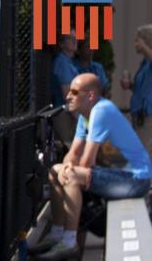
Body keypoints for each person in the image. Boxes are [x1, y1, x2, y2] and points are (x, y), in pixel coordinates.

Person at [30, 73, 152, 260]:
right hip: (117, 174)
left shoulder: (101, 110)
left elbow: (87, 161)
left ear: (91, 96)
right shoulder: (84, 115)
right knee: (55, 171)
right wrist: (65, 166)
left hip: (135, 179)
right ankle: (57, 234)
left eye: (74, 91)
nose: (68, 95)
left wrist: (69, 169)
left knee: (72, 175)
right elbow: (74, 153)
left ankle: (69, 242)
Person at [121, 24, 152, 159]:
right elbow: (143, 88)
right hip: (139, 115)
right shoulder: (145, 62)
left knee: (146, 153)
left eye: (137, 40)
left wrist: (145, 48)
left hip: (148, 115)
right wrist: (130, 85)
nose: (135, 43)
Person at [51, 31, 79, 142]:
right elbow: (68, 95)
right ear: (61, 44)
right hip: (65, 114)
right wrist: (78, 116)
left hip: (68, 113)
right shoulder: (63, 62)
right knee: (69, 148)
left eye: (75, 37)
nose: (74, 40)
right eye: (70, 38)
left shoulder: (68, 62)